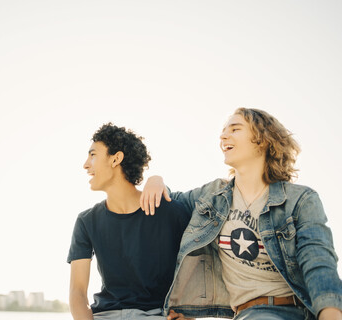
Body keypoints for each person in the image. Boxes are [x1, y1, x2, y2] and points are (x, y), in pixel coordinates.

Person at [140, 108, 342, 320]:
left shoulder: (300, 199)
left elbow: (318, 260)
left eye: (235, 129)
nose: (223, 136)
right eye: (223, 131)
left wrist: (330, 313)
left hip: (296, 310)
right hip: (245, 314)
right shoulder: (212, 196)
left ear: (262, 140)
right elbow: (173, 202)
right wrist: (155, 179)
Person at [67, 123, 192, 320]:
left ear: (116, 158)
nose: (85, 164)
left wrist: (189, 314)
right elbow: (77, 292)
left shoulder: (172, 212)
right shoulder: (86, 221)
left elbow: (196, 269)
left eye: (93, 155)